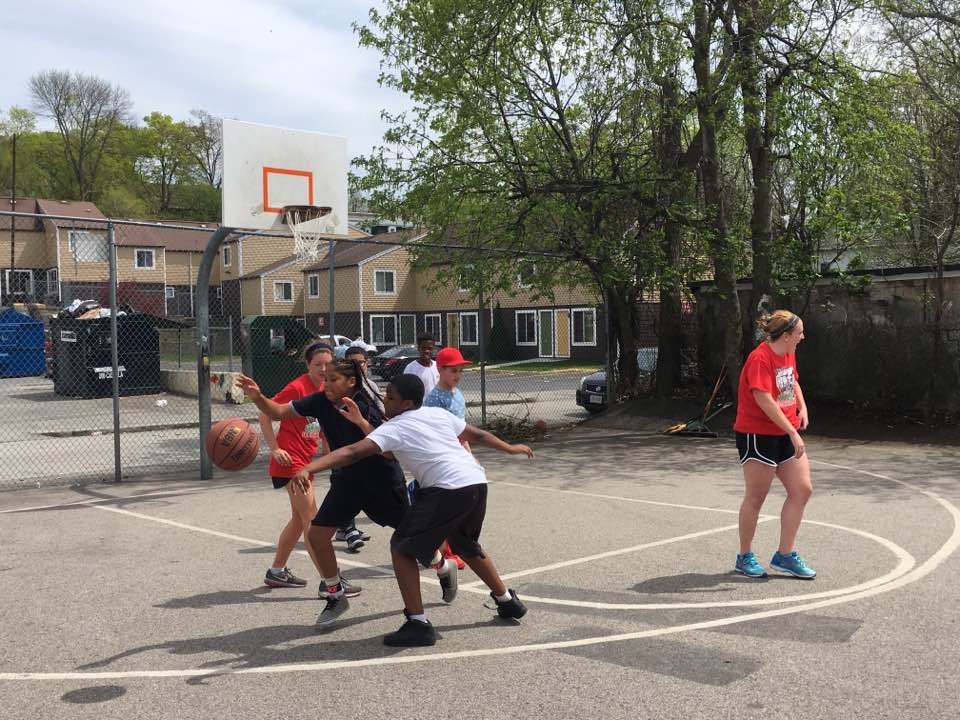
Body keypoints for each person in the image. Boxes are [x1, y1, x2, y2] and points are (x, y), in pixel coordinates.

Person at [293, 373, 533, 647]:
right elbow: (474, 434)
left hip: (446, 488)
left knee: (402, 547)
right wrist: (509, 448)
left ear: (406, 403)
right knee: (466, 544)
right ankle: (507, 601)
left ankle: (417, 623)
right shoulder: (435, 414)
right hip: (475, 482)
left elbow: (352, 453)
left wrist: (309, 467)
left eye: (391, 397)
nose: (385, 400)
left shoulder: (396, 426)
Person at [239, 358, 405, 625]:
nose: (325, 384)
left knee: (413, 537)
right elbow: (279, 412)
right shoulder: (319, 401)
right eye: (324, 378)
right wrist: (258, 397)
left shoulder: (368, 404)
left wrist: (361, 422)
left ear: (351, 382)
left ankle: (440, 563)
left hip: (381, 481)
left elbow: (389, 450)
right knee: (316, 535)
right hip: (348, 481)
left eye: (332, 379)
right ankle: (335, 593)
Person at [733, 310, 816, 580]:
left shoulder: (788, 353)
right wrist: (792, 431)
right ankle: (744, 556)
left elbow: (792, 381)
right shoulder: (760, 358)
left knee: (802, 490)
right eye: (800, 332)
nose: (803, 337)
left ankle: (785, 555)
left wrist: (801, 407)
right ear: (786, 335)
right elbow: (764, 398)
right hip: (758, 434)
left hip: (784, 431)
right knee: (756, 498)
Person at [259, 342, 332, 589]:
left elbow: (319, 424)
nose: (323, 368)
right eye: (317, 364)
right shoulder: (297, 387)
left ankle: (276, 571)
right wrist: (275, 448)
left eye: (327, 364)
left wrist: (327, 448)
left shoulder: (326, 388)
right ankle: (329, 580)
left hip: (305, 463)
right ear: (307, 365)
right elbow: (265, 413)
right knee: (311, 520)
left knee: (299, 520)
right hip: (290, 462)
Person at [422, 346, 473, 570]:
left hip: (459, 455)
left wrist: (469, 454)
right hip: (443, 458)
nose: (458, 375)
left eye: (460, 371)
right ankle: (444, 552)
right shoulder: (434, 399)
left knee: (459, 506)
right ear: (440, 370)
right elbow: (433, 433)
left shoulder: (458, 394)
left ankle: (447, 549)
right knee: (446, 508)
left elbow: (462, 430)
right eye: (453, 371)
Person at [332, 345, 386, 551]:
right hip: (345, 445)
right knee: (347, 485)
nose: (357, 366)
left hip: (368, 443)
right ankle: (349, 529)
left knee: (363, 485)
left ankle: (342, 526)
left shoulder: (371, 386)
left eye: (361, 363)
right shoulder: (340, 389)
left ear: (366, 364)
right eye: (352, 363)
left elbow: (381, 412)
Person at [403, 331, 439, 396]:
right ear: (418, 348)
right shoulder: (410, 368)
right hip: (420, 405)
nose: (427, 351)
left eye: (430, 348)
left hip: (437, 405)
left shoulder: (438, 366)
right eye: (424, 348)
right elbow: (406, 390)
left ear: (433, 349)